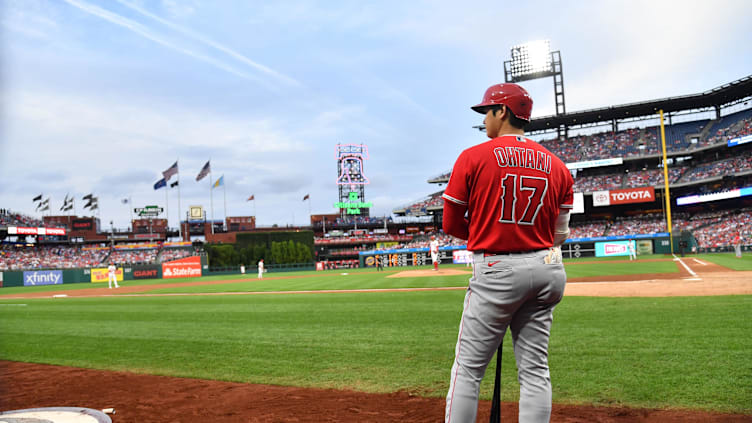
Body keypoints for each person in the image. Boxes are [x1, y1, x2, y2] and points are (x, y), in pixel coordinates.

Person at [442, 83, 574, 423]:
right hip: (548, 267)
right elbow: (560, 233)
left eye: (487, 111)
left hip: (497, 267)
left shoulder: (472, 156)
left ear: (502, 112)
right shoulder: (558, 165)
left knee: (468, 370)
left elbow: (451, 222)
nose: (484, 118)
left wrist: (488, 230)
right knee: (534, 370)